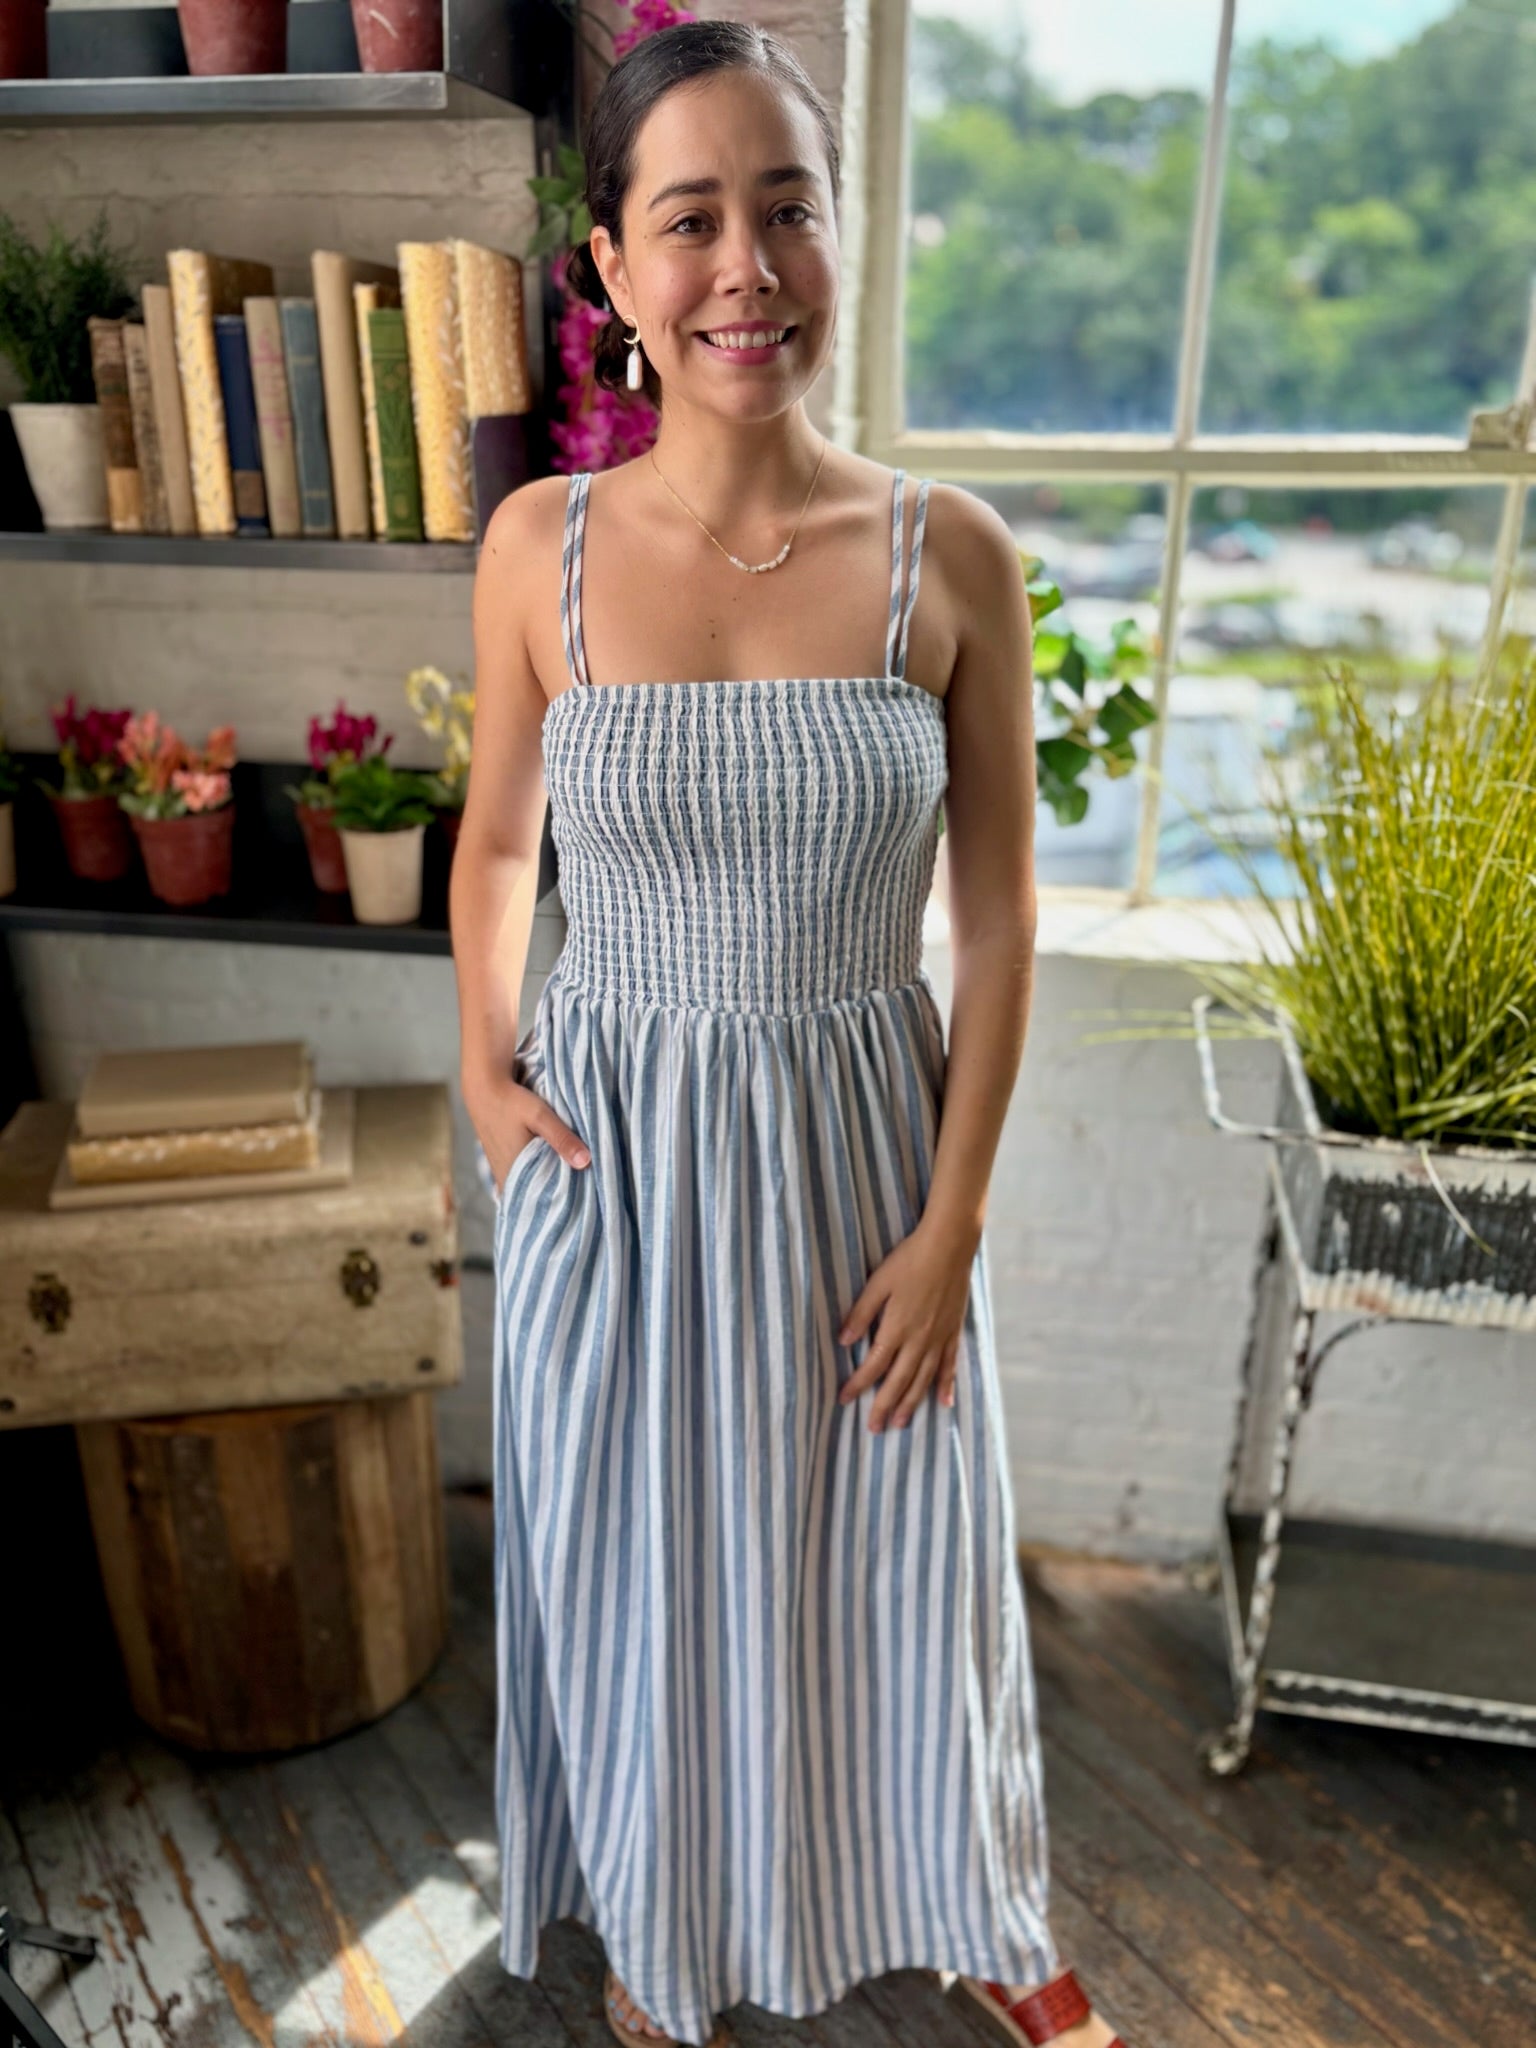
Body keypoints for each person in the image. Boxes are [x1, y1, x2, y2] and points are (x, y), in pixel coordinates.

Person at [451, 20, 1123, 2048]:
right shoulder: (540, 548)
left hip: (860, 1156)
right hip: (622, 1160)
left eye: (789, 208)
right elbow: (500, 842)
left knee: (901, 1563)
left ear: (840, 233)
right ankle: (670, 1932)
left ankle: (975, 1899)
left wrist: (956, 1222)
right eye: (691, 219)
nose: (746, 266)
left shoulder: (949, 555)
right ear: (611, 265)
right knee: (648, 1573)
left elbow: (999, 918)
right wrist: (486, 1068)